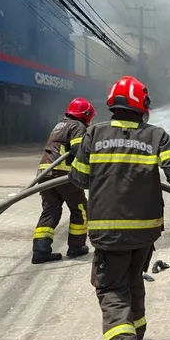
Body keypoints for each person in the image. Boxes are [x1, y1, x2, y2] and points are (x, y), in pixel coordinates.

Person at [69, 75, 170, 340]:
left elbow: (78, 179)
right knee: (133, 281)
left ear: (112, 104)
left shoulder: (94, 133)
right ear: (142, 107)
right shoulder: (156, 135)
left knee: (110, 288)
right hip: (145, 232)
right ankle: (137, 337)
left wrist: (104, 171)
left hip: (108, 232)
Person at [32, 98, 96, 264]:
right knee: (80, 208)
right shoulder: (78, 126)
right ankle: (77, 247)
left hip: (45, 173)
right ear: (86, 114)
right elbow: (78, 150)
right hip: (63, 174)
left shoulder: (60, 125)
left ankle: (40, 250)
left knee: (50, 210)